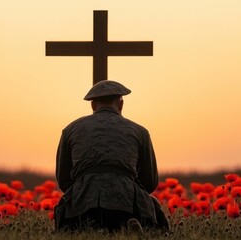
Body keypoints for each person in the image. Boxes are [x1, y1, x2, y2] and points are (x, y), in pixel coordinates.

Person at [54, 80, 169, 233]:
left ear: (93, 105)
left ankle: (80, 228)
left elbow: (63, 180)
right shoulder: (140, 131)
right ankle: (137, 229)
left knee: (70, 216)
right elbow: (150, 182)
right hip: (126, 205)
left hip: (82, 206)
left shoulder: (70, 129)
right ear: (121, 104)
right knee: (153, 211)